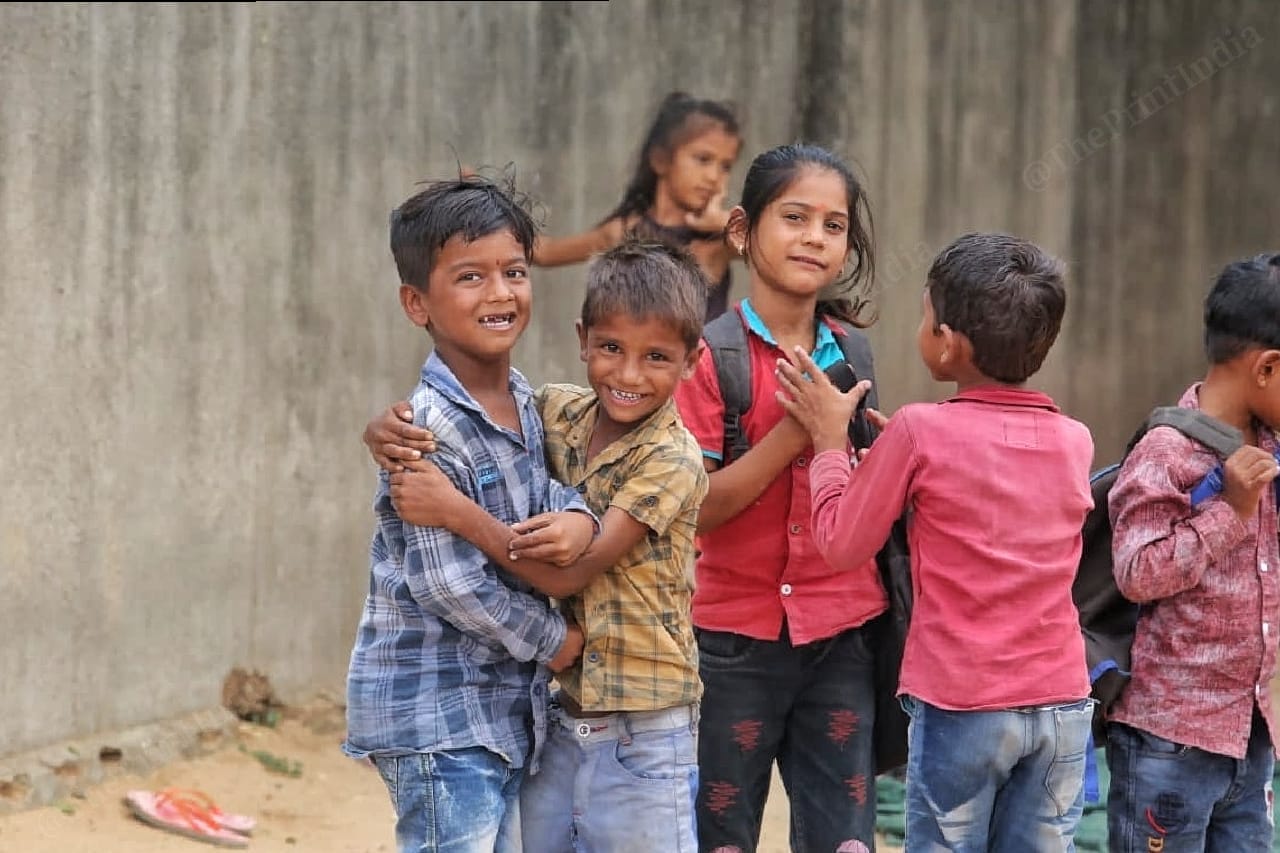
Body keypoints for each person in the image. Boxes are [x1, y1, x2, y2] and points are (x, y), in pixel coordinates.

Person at [364, 239, 711, 851]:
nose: (628, 375)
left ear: (691, 361)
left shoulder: (672, 456)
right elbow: (479, 415)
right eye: (610, 349)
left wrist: (459, 513)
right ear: (583, 339)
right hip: (560, 718)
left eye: (656, 356)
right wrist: (380, 429)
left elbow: (570, 577)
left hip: (647, 726)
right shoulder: (553, 410)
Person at [773, 232, 1097, 852]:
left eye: (925, 317)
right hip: (1061, 701)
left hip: (965, 704)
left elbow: (840, 543)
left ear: (946, 344)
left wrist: (827, 445)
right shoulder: (1074, 440)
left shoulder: (922, 432)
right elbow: (997, 492)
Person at [341, 175, 596, 853]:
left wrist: (579, 521)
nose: (501, 292)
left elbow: (550, 497)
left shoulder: (526, 403)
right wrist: (557, 641)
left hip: (496, 712)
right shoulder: (423, 431)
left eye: (514, 271)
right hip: (437, 712)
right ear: (416, 303)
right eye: (470, 277)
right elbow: (450, 584)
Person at [671, 143, 883, 853]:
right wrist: (800, 434)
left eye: (833, 224)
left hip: (842, 635)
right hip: (733, 643)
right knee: (722, 832)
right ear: (742, 231)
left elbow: (862, 500)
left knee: (845, 837)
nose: (815, 238)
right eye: (794, 217)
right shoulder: (709, 356)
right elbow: (694, 506)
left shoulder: (854, 354)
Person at [1103, 253, 1280, 852]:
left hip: (1250, 736)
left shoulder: (1275, 451)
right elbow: (1137, 571)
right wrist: (1230, 511)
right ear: (1267, 367)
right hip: (1169, 740)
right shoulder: (1166, 453)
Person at [534, 90, 742, 322]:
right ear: (660, 160)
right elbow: (545, 252)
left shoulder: (718, 243)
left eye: (726, 166)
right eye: (703, 159)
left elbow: (769, 241)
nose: (714, 177)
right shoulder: (625, 231)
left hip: (700, 359)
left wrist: (722, 221)